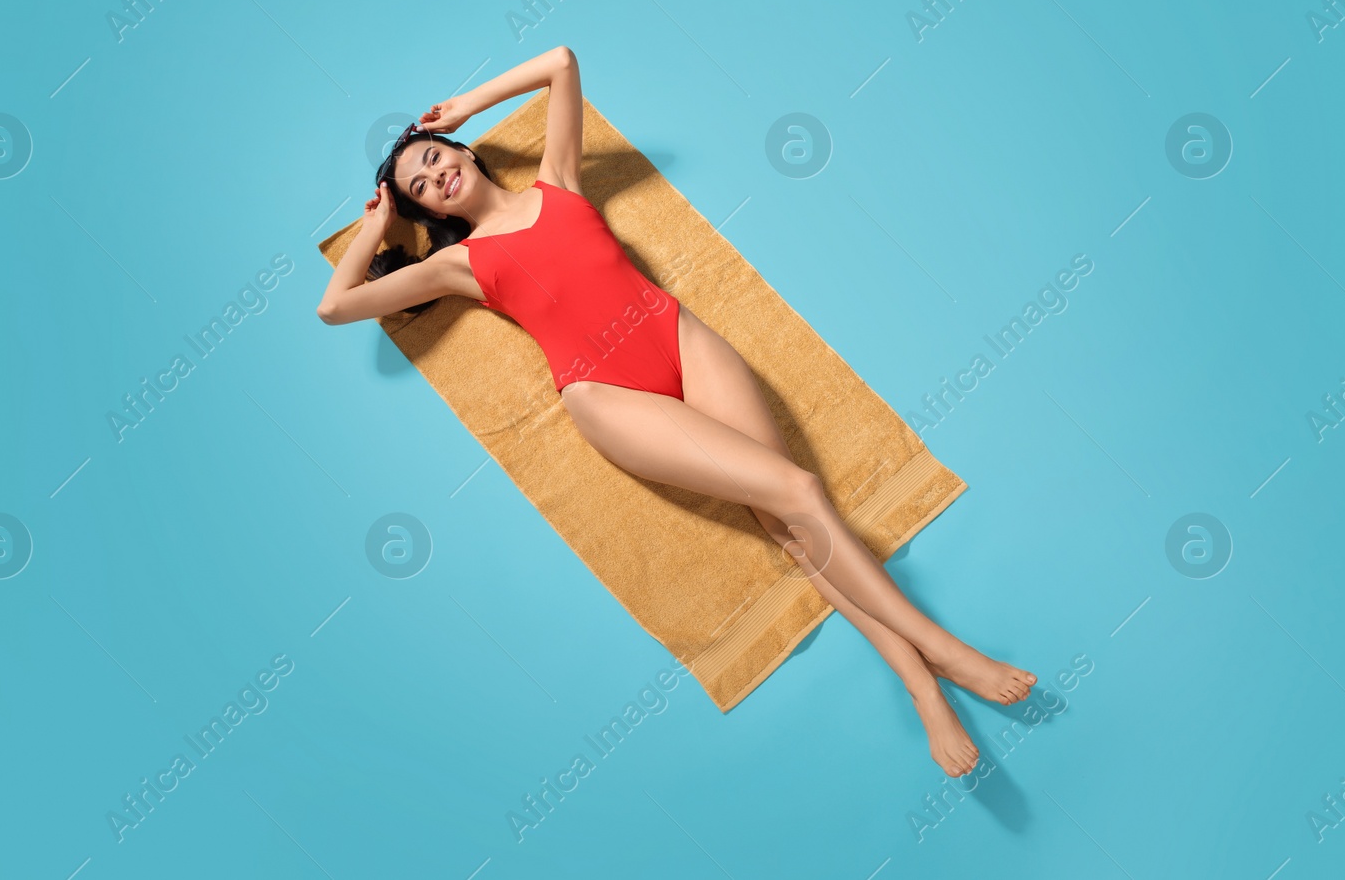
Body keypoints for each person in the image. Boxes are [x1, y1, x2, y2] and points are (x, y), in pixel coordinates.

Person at [317, 46, 1034, 776]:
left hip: (675, 334)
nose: (438, 175)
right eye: (422, 187)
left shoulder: (556, 181)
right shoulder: (455, 265)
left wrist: (465, 103)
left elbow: (562, 63)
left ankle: (921, 683)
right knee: (800, 493)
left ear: (460, 148)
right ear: (428, 210)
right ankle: (941, 660)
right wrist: (380, 221)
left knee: (789, 522)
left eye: (436, 158)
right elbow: (335, 305)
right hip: (607, 392)